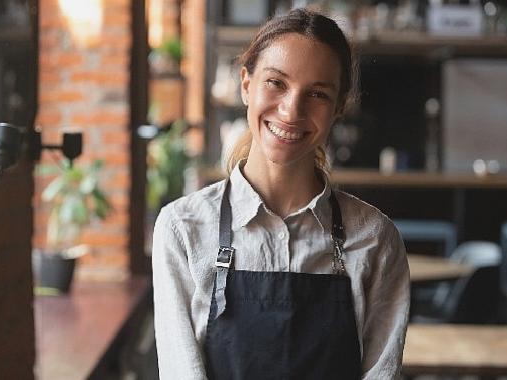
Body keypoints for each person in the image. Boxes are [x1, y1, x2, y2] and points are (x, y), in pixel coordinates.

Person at [152, 8, 410, 380]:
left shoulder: (375, 238)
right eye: (276, 82)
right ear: (246, 84)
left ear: (338, 108)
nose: (292, 110)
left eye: (318, 93)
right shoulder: (183, 229)